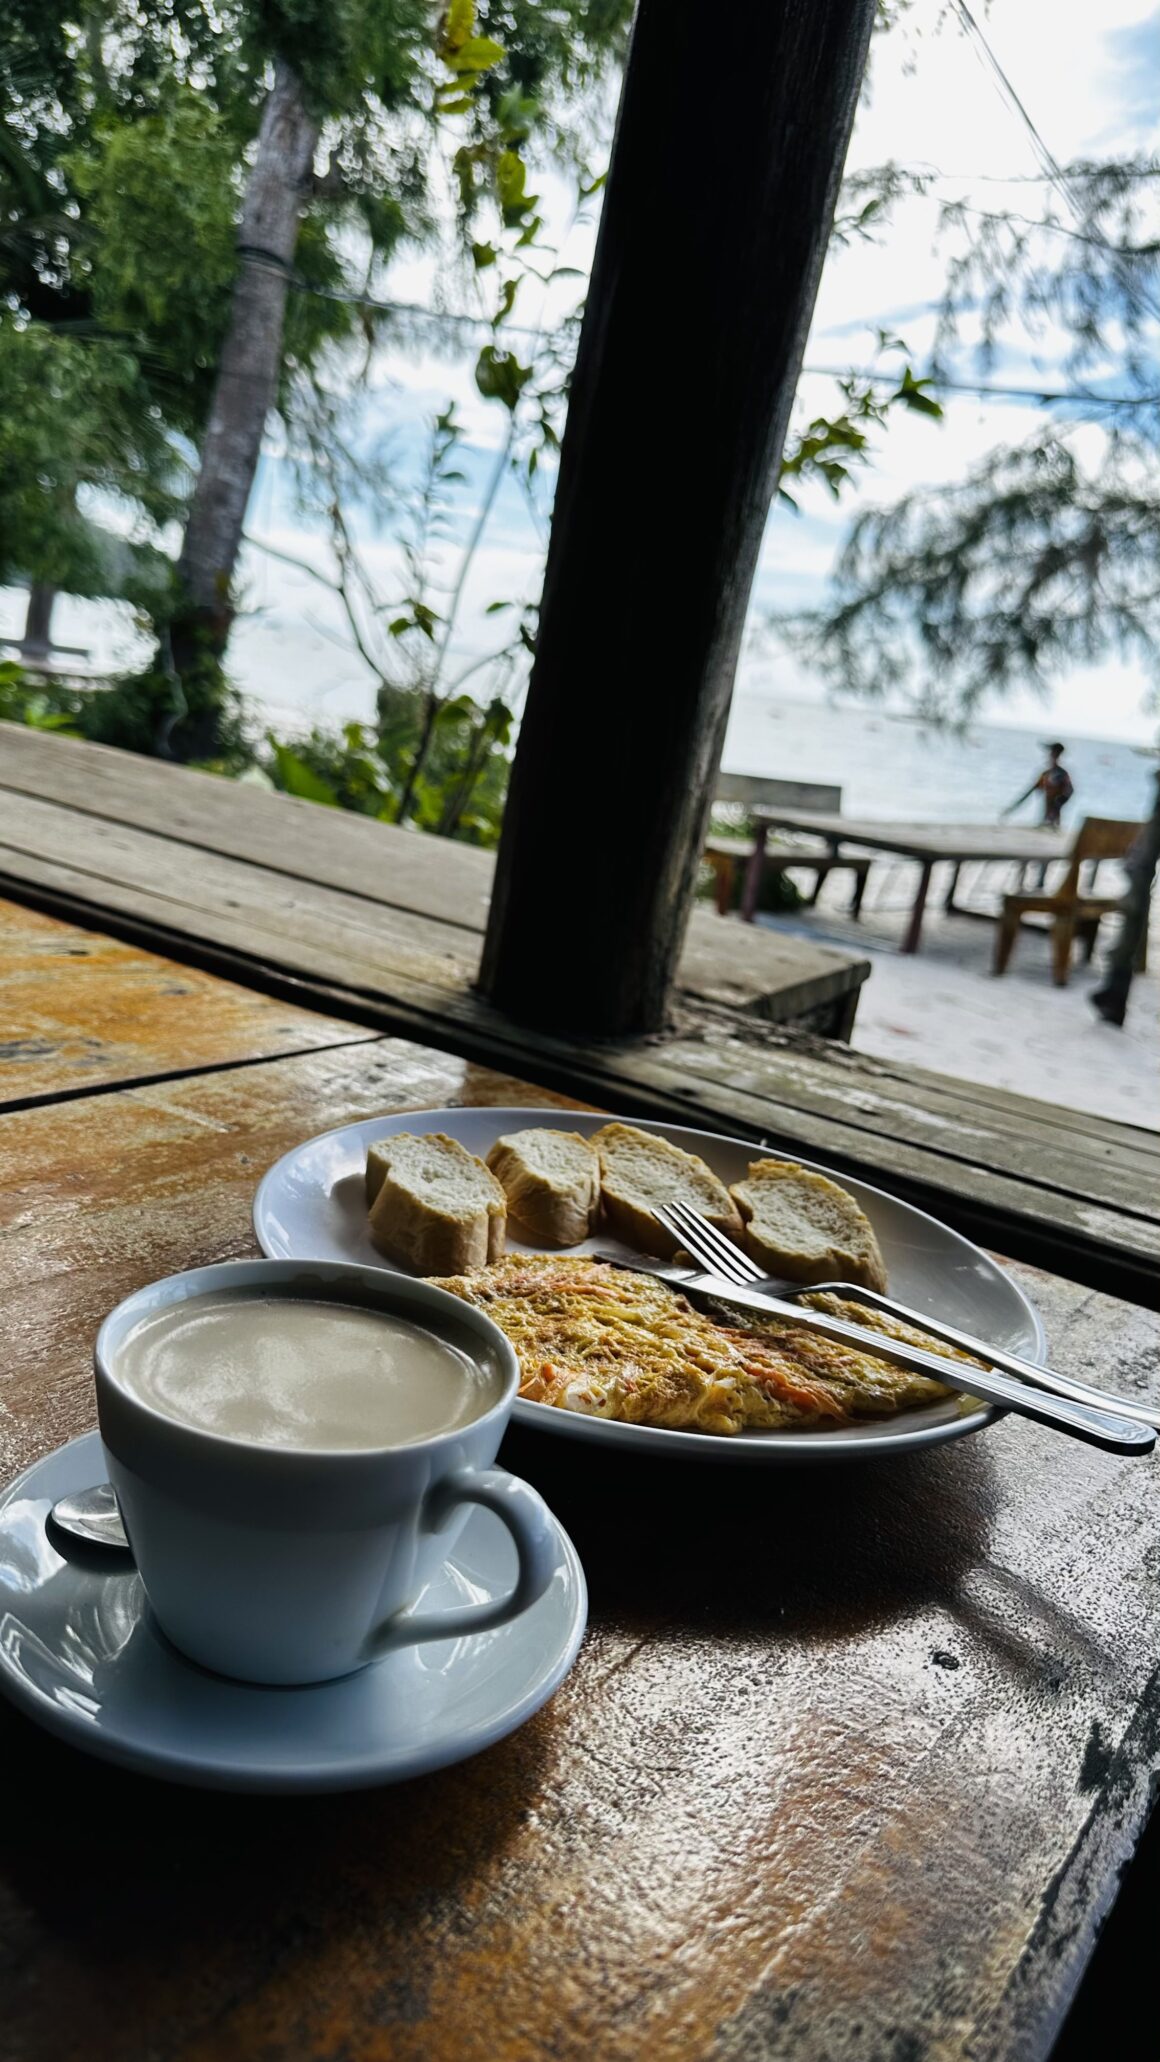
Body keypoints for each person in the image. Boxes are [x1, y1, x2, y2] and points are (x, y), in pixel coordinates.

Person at [1002, 742, 1074, 829]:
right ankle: (1049, 822)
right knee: (1052, 800)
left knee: (1054, 800)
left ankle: (1051, 822)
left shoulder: (1058, 774)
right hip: (1049, 818)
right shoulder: (1047, 774)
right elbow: (1030, 791)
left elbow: (1069, 791)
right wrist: (1012, 808)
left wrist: (1057, 803)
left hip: (1052, 817)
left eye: (1051, 752)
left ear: (1054, 754)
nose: (1049, 755)